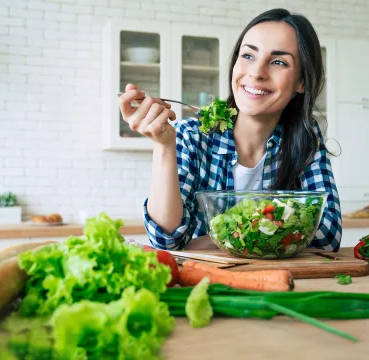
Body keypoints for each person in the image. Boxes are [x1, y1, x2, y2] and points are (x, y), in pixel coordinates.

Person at [118, 8, 342, 252]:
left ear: (301, 82)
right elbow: (167, 240)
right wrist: (163, 144)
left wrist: (212, 239)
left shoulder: (306, 140)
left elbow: (327, 235)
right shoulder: (191, 136)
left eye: (278, 62)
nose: (257, 72)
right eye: (248, 56)